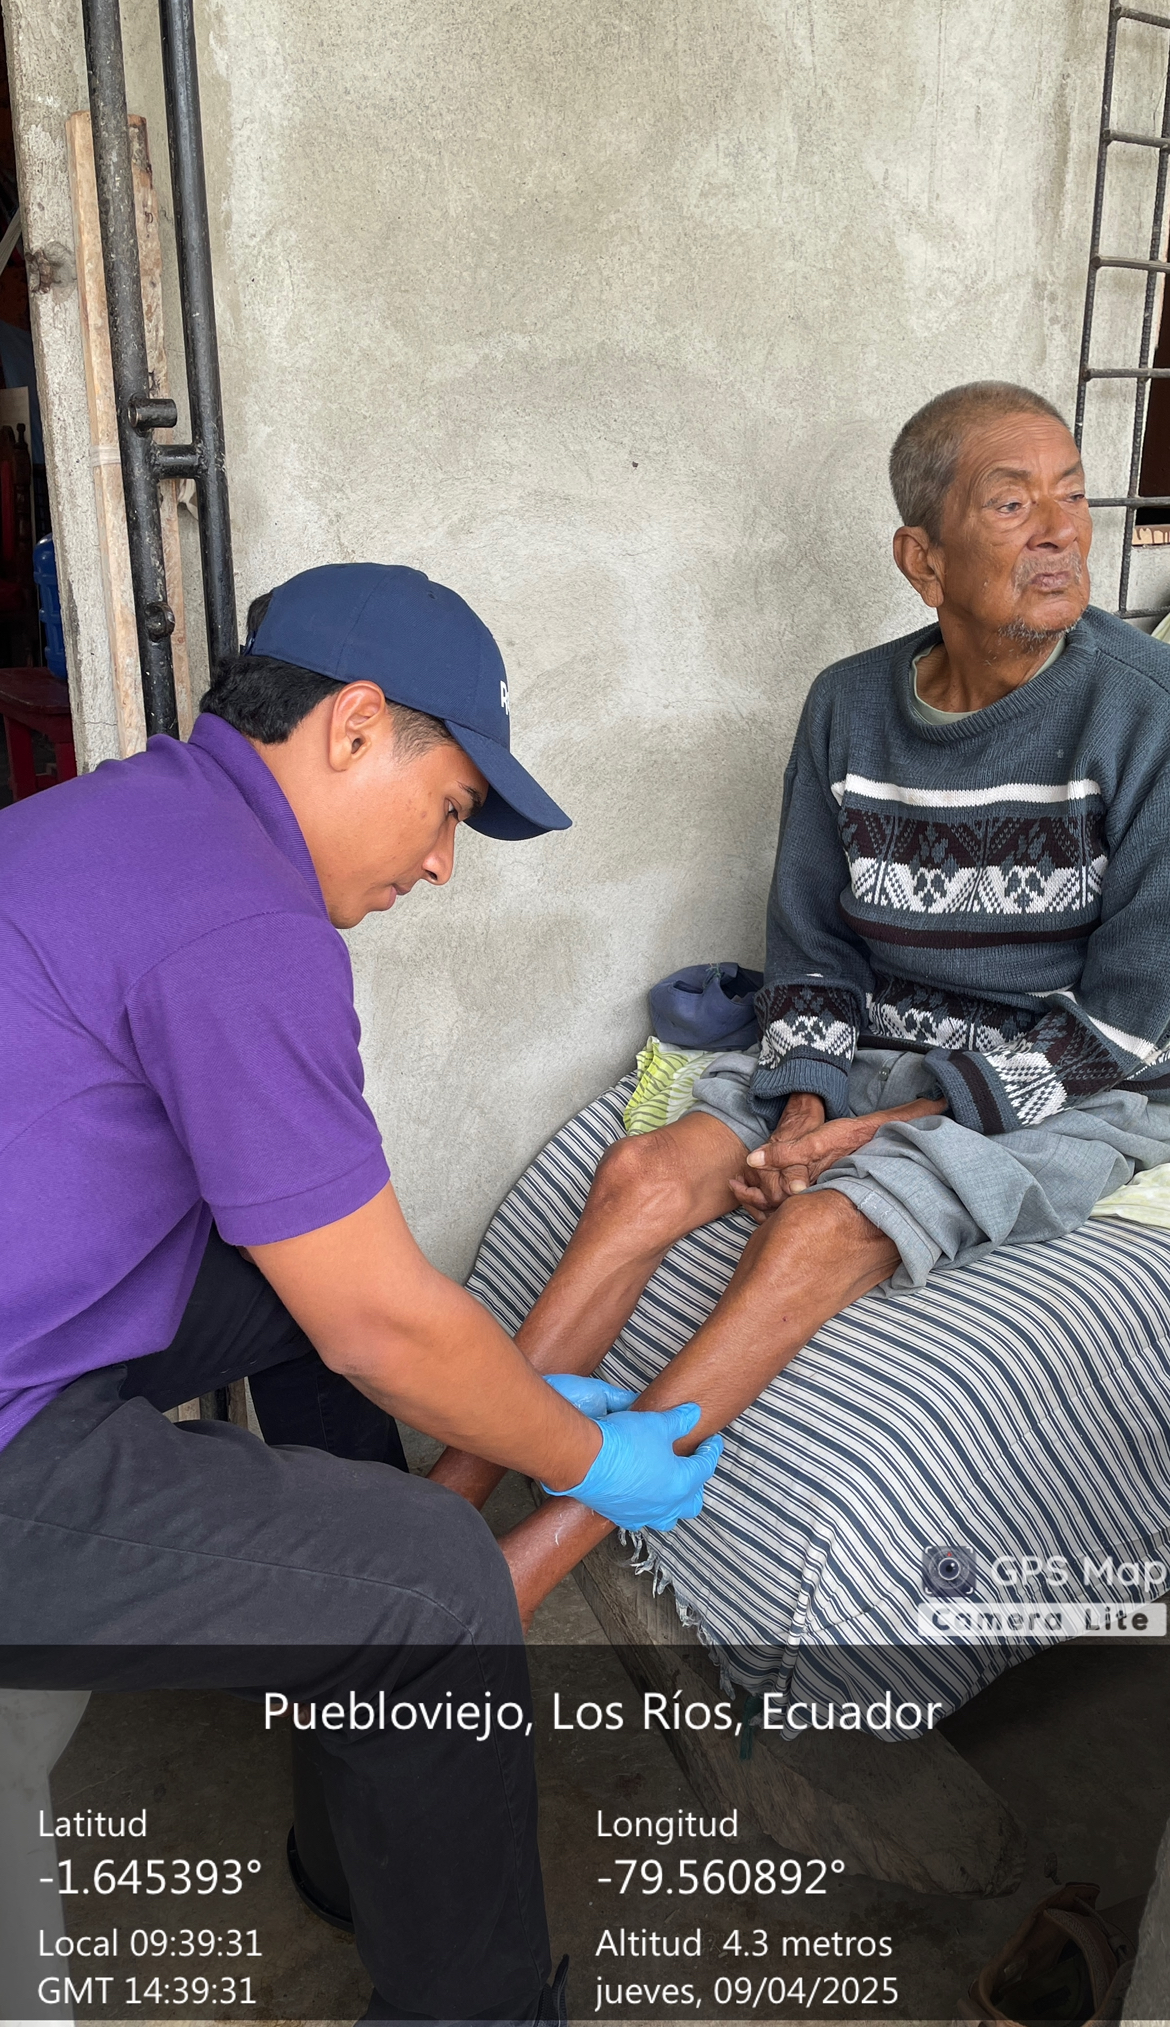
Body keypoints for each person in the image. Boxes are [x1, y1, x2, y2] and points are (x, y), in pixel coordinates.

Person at [0, 563, 722, 2024]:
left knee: (286, 1302)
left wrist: (498, 1400)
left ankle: (362, 1794)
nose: (442, 864)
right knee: (438, 1586)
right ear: (352, 726)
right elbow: (381, 1319)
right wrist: (585, 1451)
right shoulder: (240, 919)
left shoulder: (116, 819)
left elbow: (332, 1279)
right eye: (449, 808)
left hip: (37, 1310)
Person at [428, 381, 1170, 1624]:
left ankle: (511, 1579)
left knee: (821, 1225)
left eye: (1072, 496)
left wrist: (864, 1137)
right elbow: (815, 946)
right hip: (877, 1043)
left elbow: (1129, 1028)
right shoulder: (848, 704)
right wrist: (807, 1102)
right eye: (1011, 503)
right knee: (643, 1175)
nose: (1060, 531)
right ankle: (440, 1510)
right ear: (922, 559)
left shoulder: (1148, 712)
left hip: (1065, 1081)